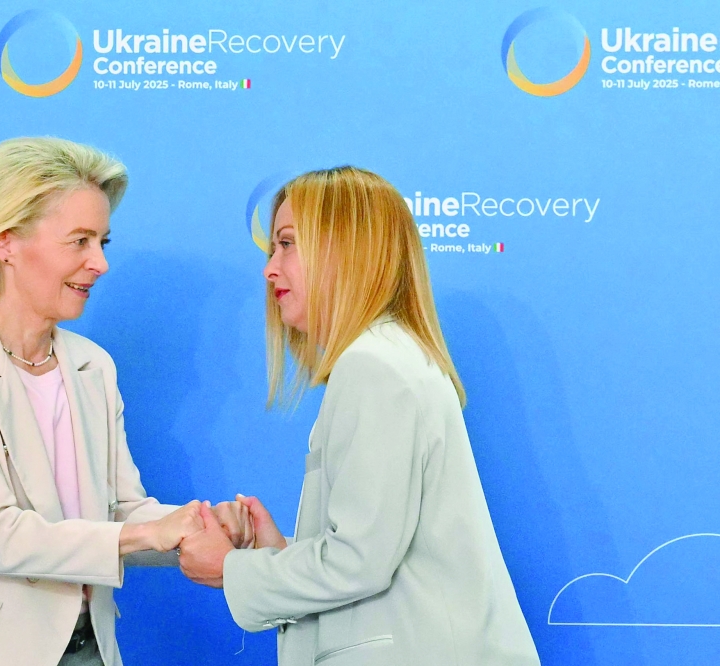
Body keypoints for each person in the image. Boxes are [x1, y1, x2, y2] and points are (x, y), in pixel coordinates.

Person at [0, 137, 250, 666]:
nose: (98, 263)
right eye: (78, 241)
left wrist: (202, 523)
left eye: (102, 241)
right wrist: (148, 530)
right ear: (4, 242)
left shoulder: (93, 366)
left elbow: (123, 511)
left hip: (88, 648)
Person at [178, 167, 540, 665]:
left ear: (347, 251)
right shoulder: (390, 357)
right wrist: (280, 555)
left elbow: (358, 562)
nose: (270, 270)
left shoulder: (373, 367)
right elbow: (374, 550)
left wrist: (232, 569)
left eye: (287, 244)